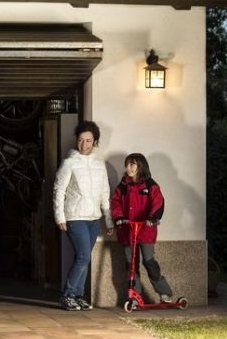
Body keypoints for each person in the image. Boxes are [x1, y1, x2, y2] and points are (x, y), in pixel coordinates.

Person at [53, 120, 112, 311]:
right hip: (75, 217)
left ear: (95, 142)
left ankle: (78, 296)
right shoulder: (69, 163)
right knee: (83, 257)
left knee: (83, 257)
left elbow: (105, 193)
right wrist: (60, 217)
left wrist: (109, 220)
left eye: (88, 140)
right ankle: (68, 295)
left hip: (94, 219)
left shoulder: (99, 165)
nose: (84, 144)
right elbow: (59, 190)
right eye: (80, 140)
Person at [111, 153, 176, 302]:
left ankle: (164, 292)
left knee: (149, 261)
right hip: (128, 231)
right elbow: (115, 203)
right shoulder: (123, 186)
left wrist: (152, 218)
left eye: (132, 164)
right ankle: (135, 295)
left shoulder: (150, 185)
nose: (128, 168)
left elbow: (158, 202)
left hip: (145, 231)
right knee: (131, 265)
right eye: (127, 165)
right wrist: (119, 217)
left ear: (140, 166)